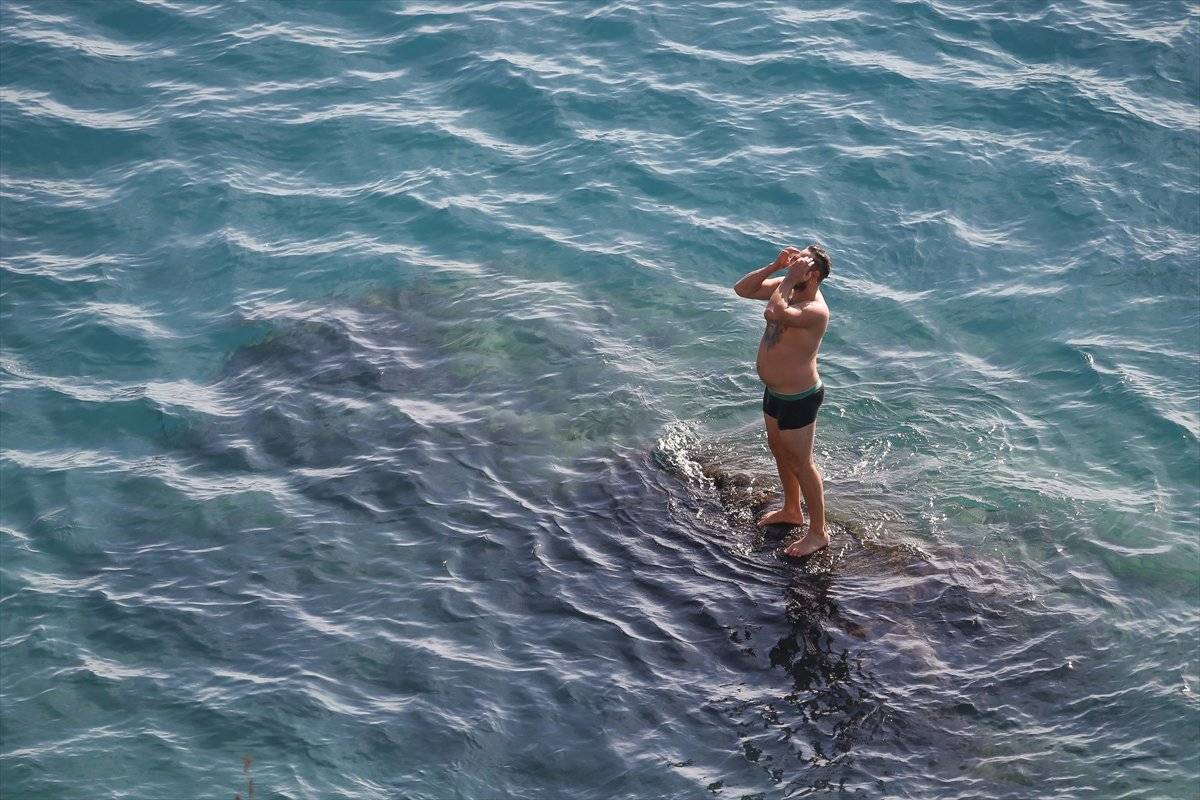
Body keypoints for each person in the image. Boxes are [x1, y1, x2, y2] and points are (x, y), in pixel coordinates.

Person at [732, 244, 832, 558]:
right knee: (779, 452)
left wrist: (788, 280)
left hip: (799, 398)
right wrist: (775, 266)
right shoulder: (784, 288)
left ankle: (819, 533)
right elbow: (743, 289)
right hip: (775, 392)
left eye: (801, 261)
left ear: (812, 275)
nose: (794, 262)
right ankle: (792, 509)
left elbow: (773, 312)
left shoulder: (815, 309)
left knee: (802, 463)